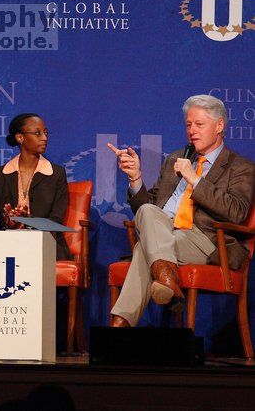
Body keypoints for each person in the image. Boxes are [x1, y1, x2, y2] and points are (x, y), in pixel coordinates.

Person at [108, 94, 254, 327]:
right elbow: (150, 210)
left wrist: (195, 181)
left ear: (219, 126)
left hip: (206, 241)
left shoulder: (240, 167)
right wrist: (135, 179)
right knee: (148, 212)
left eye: (199, 124)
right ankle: (167, 278)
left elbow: (236, 212)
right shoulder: (176, 158)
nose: (192, 131)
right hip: (166, 232)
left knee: (144, 246)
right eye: (188, 125)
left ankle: (119, 325)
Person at [0, 113, 70, 259]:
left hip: (45, 247)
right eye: (38, 133)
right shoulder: (0, 174)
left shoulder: (56, 173)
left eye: (45, 133)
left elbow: (56, 221)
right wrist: (8, 222)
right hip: (7, 247)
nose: (44, 138)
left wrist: (28, 221)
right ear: (20, 138)